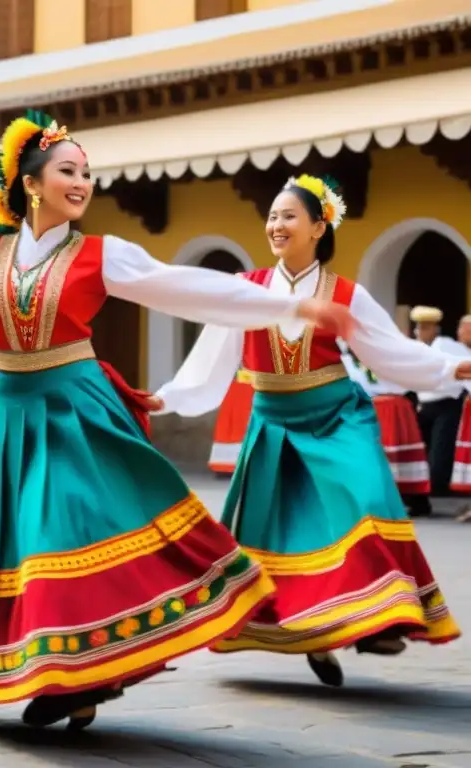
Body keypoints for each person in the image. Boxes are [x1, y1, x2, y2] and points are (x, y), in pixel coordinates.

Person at [0, 110, 355, 727]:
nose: (82, 183)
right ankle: (76, 677)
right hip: (12, 415)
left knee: (61, 531)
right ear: (31, 182)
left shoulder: (104, 254)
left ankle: (75, 679)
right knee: (22, 544)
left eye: (87, 174)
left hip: (76, 412)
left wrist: (291, 303)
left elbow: (183, 285)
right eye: (68, 171)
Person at [155, 174, 468, 688]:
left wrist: (448, 369)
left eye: (288, 216)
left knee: (367, 499)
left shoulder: (347, 293)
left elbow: (388, 350)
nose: (276, 225)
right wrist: (169, 397)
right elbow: (209, 360)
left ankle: (377, 620)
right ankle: (316, 632)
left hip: (337, 416)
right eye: (272, 216)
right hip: (275, 424)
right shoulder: (246, 290)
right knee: (283, 533)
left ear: (319, 227)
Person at [340, 340, 432, 517]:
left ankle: (416, 500)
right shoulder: (348, 361)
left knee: (395, 454)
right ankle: (386, 501)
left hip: (391, 407)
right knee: (379, 455)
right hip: (377, 408)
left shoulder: (384, 356)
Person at [411, 306, 470, 498]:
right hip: (425, 405)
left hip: (447, 404)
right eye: (419, 328)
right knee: (417, 447)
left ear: (435, 329)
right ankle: (418, 488)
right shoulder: (417, 347)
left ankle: (437, 488)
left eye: (425, 328)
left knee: (440, 449)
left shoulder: (445, 344)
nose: (420, 332)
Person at [208, 373, 254, 476]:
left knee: (239, 426)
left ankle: (237, 465)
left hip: (246, 388)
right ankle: (225, 466)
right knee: (229, 425)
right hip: (235, 388)